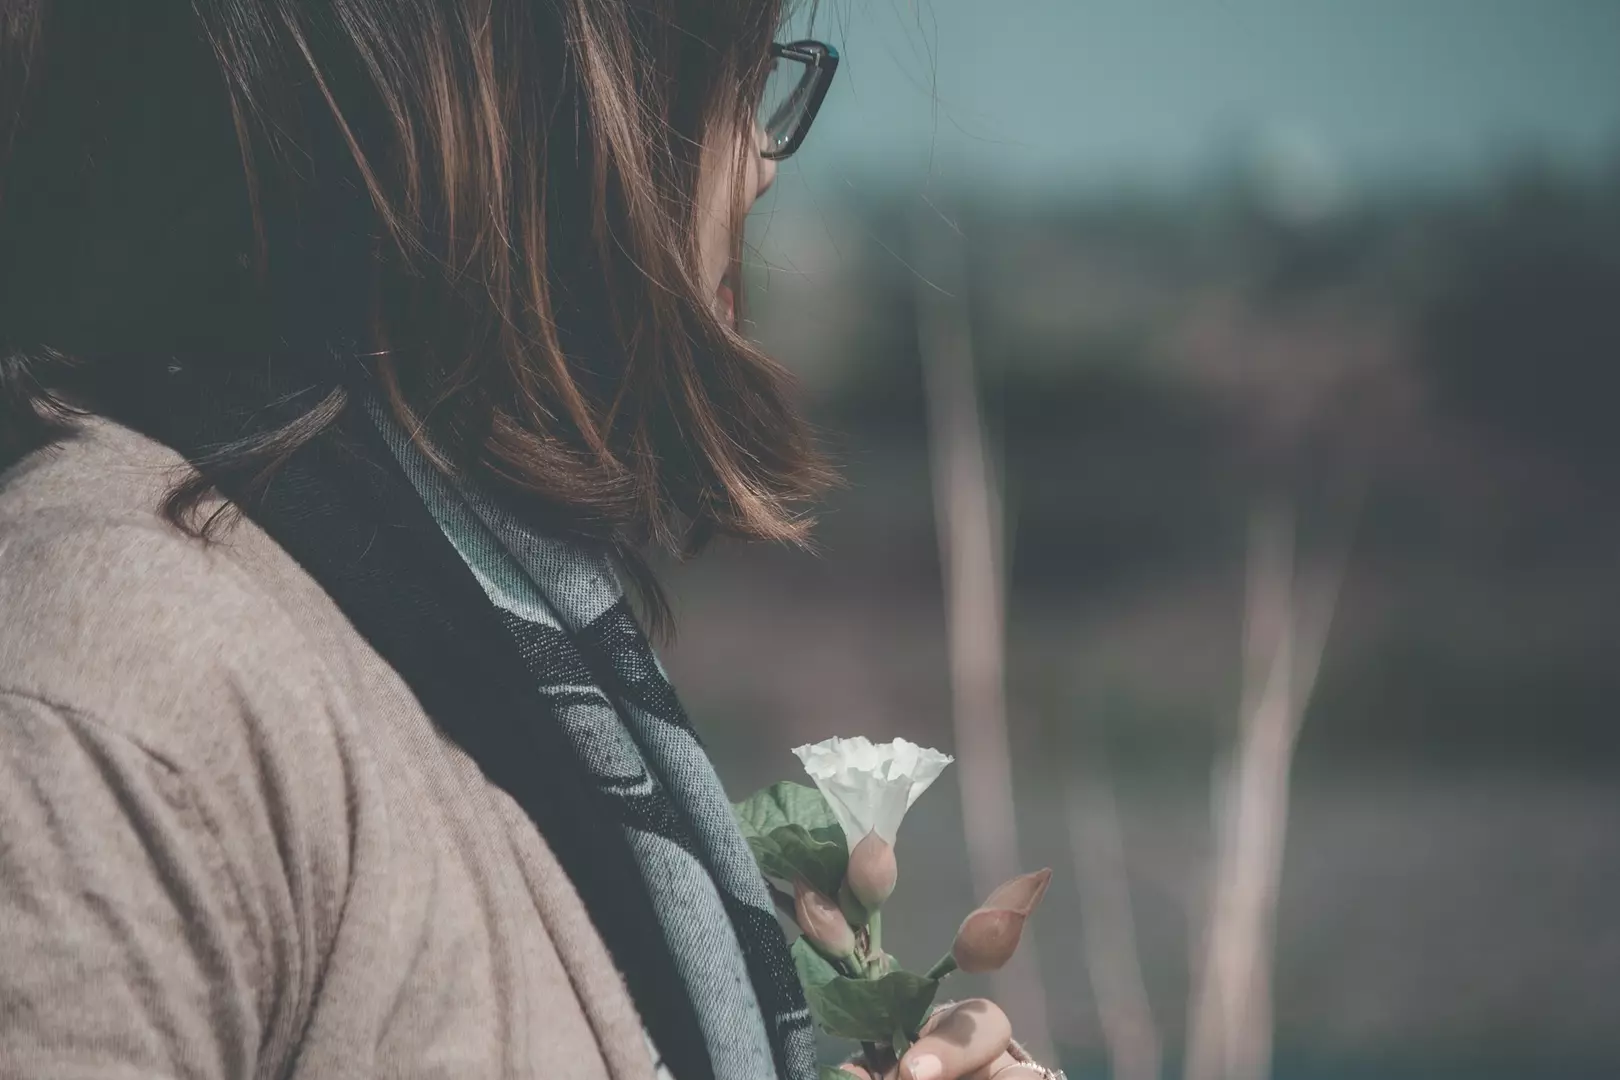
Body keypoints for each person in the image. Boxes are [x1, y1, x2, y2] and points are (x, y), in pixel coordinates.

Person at [0, 4, 1053, 1079]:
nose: (763, 161)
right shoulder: (125, 666)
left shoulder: (477, 603)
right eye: (723, 79)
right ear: (531, 98)